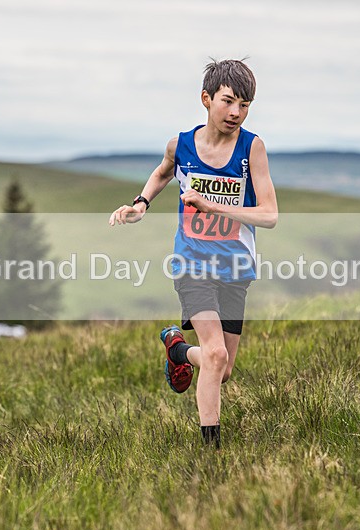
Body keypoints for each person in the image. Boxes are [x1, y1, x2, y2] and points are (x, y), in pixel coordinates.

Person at [109, 59, 278, 448]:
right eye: (228, 101)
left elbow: (269, 215)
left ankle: (178, 350)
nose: (236, 112)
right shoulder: (181, 145)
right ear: (206, 99)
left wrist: (213, 206)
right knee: (215, 356)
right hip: (192, 264)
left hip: (235, 267)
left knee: (223, 368)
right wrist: (141, 204)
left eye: (245, 105)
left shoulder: (252, 148)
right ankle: (211, 454)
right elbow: (163, 171)